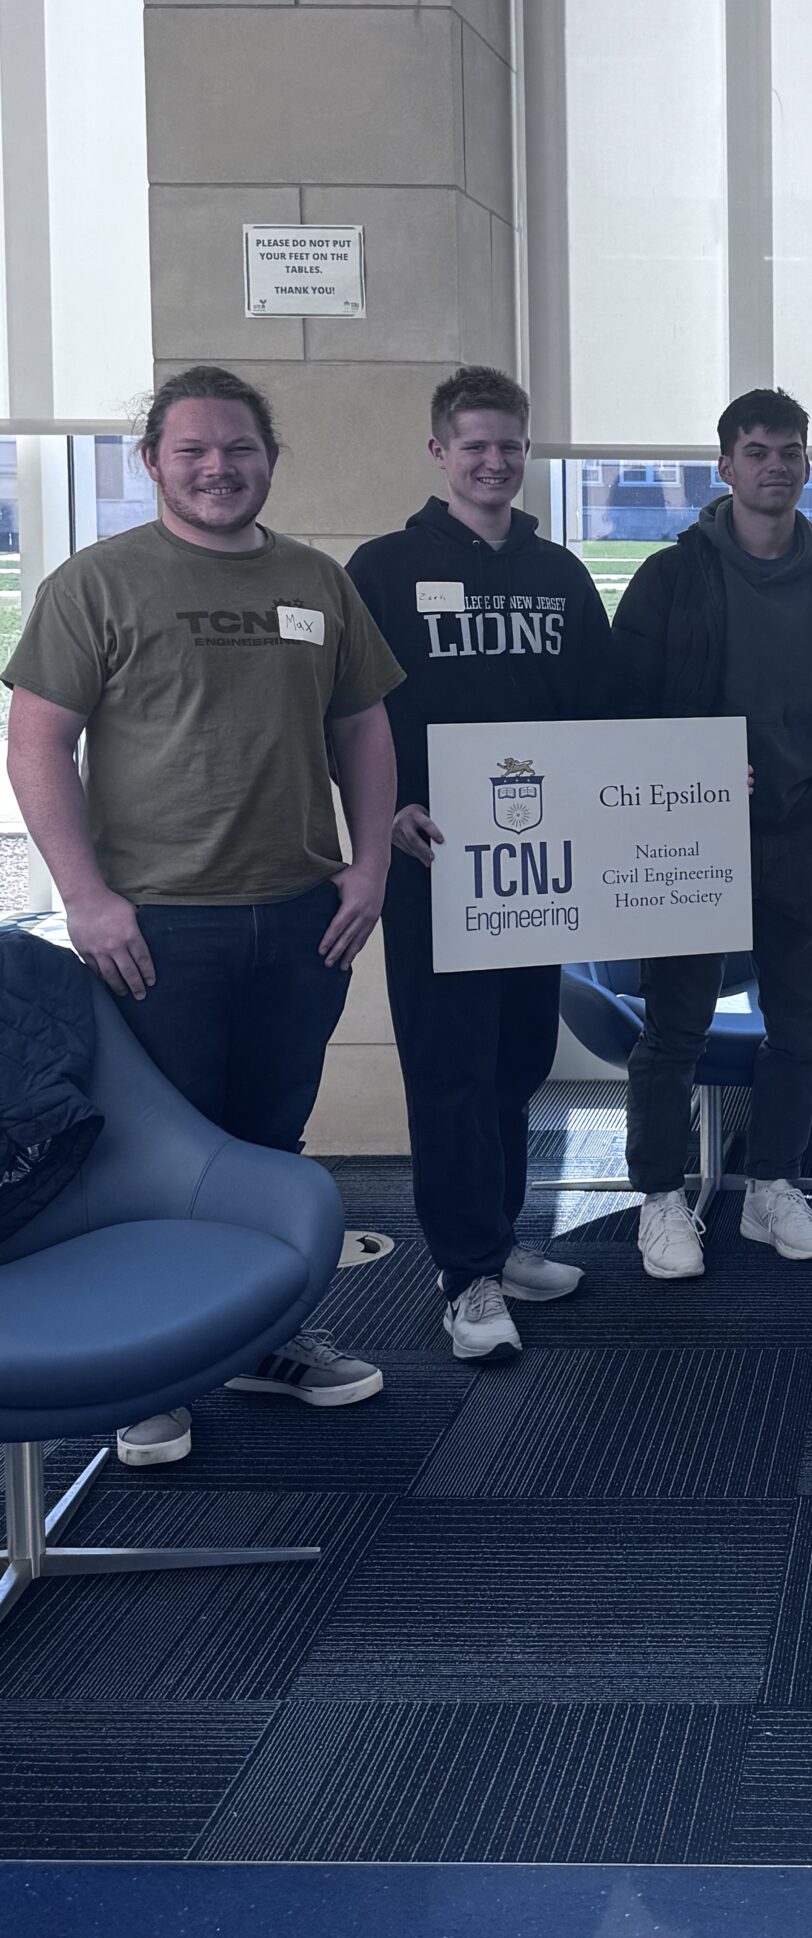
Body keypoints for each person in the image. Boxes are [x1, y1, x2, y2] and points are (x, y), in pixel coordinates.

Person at [4, 365, 403, 1464]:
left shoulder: (317, 581)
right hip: (158, 928)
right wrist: (83, 898)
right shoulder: (99, 583)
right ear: (151, 463)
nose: (218, 467)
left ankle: (263, 1336)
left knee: (271, 1143)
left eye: (239, 448)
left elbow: (362, 728)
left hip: (303, 920)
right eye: (192, 450)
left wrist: (368, 867)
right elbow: (37, 742)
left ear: (270, 459)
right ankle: (152, 1368)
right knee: (160, 1154)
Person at [346, 367, 615, 1365]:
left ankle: (500, 1242)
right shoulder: (380, 569)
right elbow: (347, 719)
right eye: (475, 446)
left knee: (518, 1061)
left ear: (527, 450)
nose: (494, 461)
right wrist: (383, 815)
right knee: (449, 1070)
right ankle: (464, 1277)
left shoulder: (561, 575)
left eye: (509, 445)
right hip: (433, 861)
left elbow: (603, 715)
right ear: (439, 453)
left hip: (536, 870)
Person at [610, 387, 812, 1281]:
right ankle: (659, 1199)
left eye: (790, 451)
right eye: (757, 450)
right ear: (724, 465)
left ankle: (773, 1187)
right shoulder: (670, 579)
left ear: (808, 464)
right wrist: (694, 764)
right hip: (693, 839)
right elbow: (622, 721)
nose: (776, 466)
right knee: (673, 1030)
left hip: (806, 834)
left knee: (800, 1027)